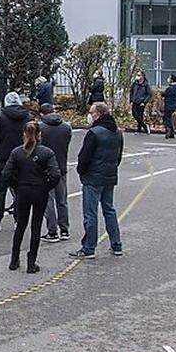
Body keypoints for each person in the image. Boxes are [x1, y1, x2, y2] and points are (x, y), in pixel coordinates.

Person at [3, 122, 62, 274]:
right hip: (39, 191)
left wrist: (16, 185)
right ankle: (31, 261)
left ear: (24, 134)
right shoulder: (46, 152)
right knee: (36, 225)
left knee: (21, 225)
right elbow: (55, 174)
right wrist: (45, 186)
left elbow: (6, 173)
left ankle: (14, 259)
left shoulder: (17, 153)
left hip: (22, 190)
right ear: (39, 135)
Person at [70, 102, 124, 260]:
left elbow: (84, 157)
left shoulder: (94, 133)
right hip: (109, 175)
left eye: (92, 113)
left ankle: (89, 248)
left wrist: (82, 171)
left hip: (93, 177)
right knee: (109, 210)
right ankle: (116, 244)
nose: (90, 116)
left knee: (90, 213)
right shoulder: (117, 132)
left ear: (98, 114)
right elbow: (118, 156)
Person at [0, 92, 31, 232]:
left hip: (4, 156)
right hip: (22, 156)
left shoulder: (0, 116)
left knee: (1, 190)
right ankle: (18, 220)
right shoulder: (27, 117)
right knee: (19, 190)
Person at [39, 103, 72, 242]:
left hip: (46, 168)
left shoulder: (40, 128)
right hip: (61, 166)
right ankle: (64, 229)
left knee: (48, 200)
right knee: (62, 200)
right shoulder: (66, 127)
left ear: (42, 114)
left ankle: (52, 231)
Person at [162, 74, 176, 139]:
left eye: (169, 78)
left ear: (172, 80)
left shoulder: (170, 88)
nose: (168, 79)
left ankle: (168, 129)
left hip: (168, 105)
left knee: (166, 118)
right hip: (174, 105)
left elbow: (164, 94)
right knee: (169, 118)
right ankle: (172, 134)